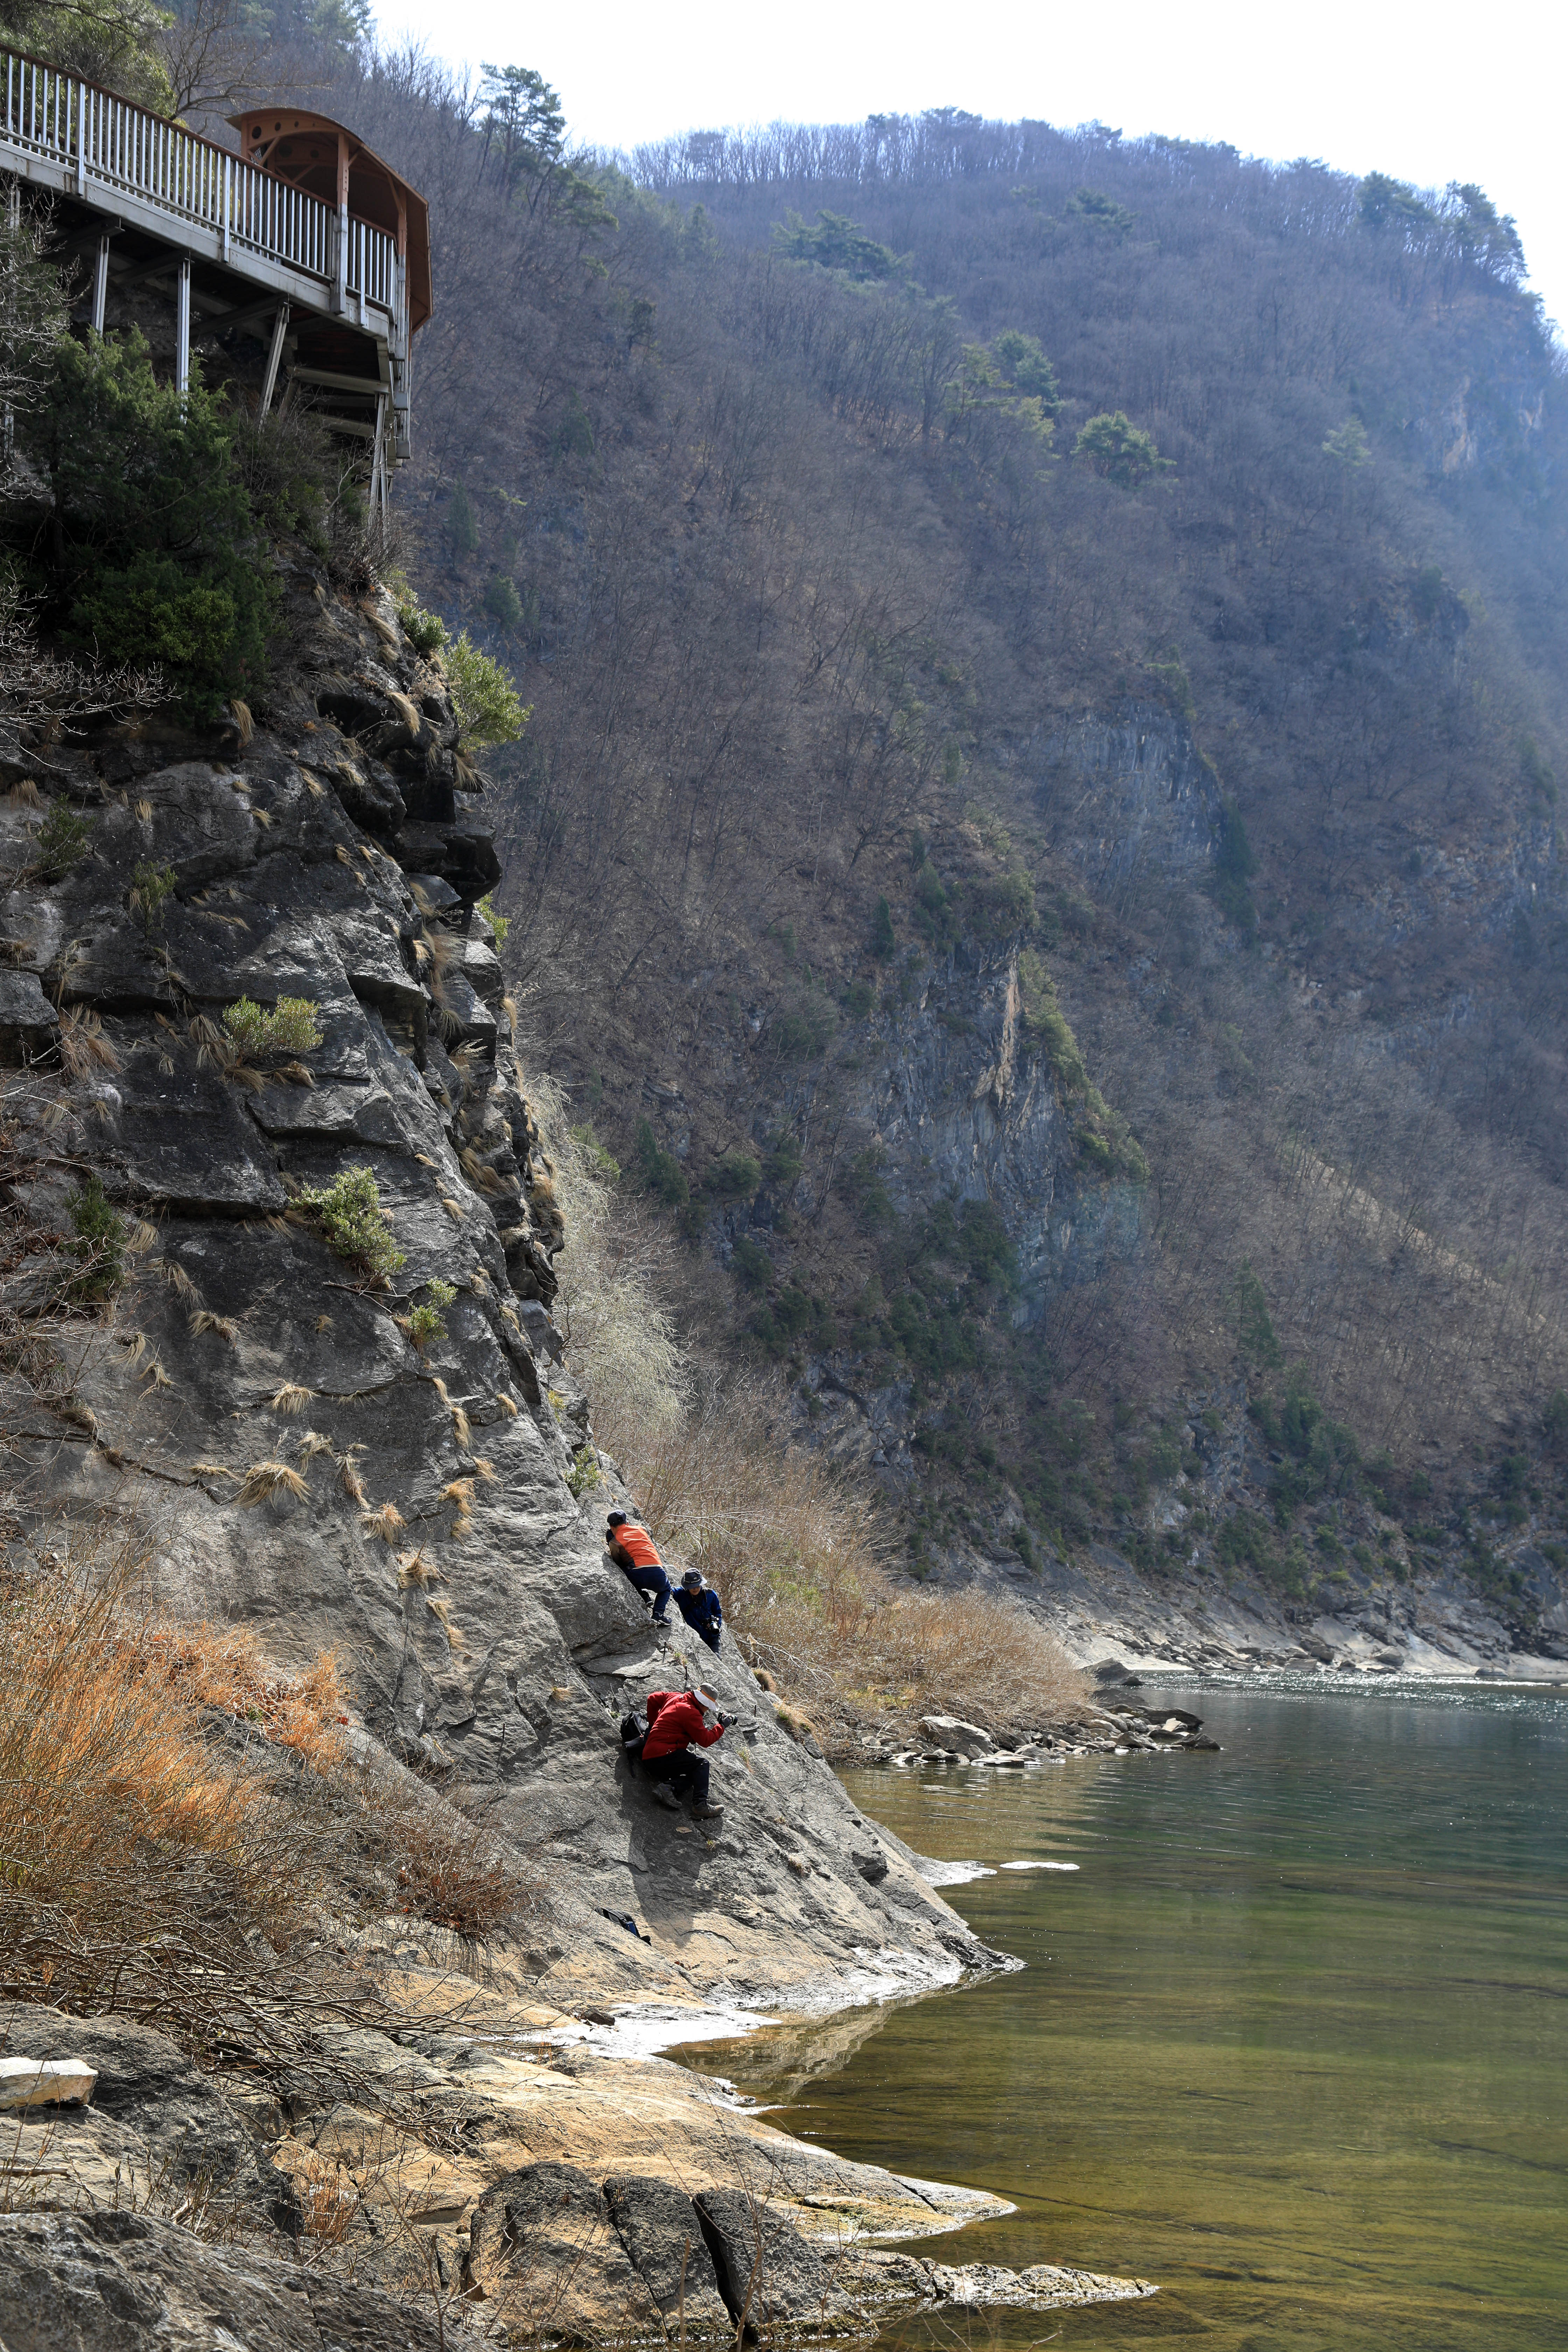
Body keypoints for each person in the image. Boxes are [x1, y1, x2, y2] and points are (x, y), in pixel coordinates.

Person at [640, 1687, 733, 1821]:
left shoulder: (675, 1697)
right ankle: (700, 1806)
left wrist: (653, 1725)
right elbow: (706, 1740)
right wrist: (722, 1726)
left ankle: (669, 1788)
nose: (707, 1711)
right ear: (704, 1704)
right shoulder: (692, 1713)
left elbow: (652, 1698)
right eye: (708, 1708)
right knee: (702, 1764)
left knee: (697, 1774)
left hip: (650, 1756)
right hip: (664, 1756)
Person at [606, 1510, 672, 1624]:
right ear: (627, 1522)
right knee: (666, 1589)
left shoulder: (615, 1541)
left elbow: (618, 1562)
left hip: (637, 1574)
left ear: (612, 1527)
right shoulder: (641, 1530)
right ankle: (658, 1614)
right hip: (658, 1570)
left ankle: (644, 1596)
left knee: (622, 1575)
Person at [674, 1568, 723, 1654]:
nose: (695, 1589)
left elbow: (718, 1613)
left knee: (717, 1658)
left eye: (697, 1585)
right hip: (694, 1638)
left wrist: (716, 1624)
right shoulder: (681, 1594)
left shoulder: (711, 1594)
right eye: (692, 1586)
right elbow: (668, 1590)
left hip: (713, 1637)